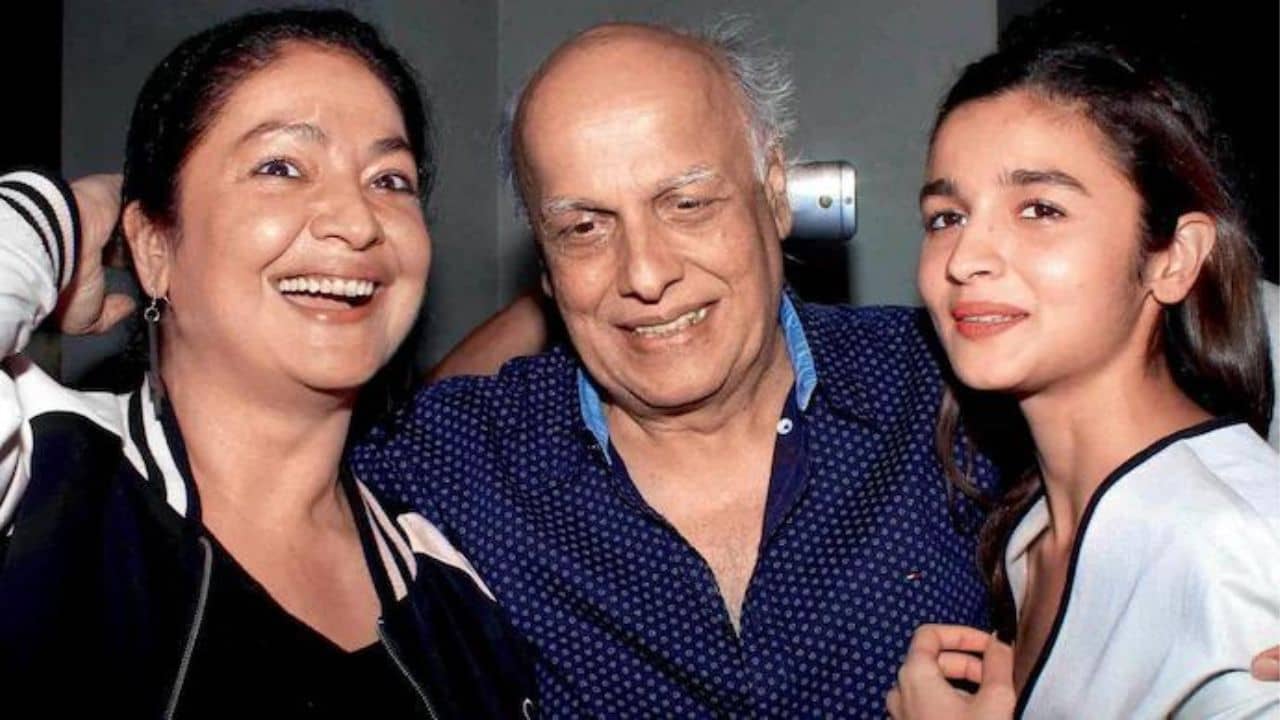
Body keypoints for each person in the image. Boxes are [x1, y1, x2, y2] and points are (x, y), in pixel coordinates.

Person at [351, 20, 999, 716]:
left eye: (687, 204)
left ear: (775, 194)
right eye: (583, 229)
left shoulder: (948, 395)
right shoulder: (460, 459)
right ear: (544, 263)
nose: (646, 273)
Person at [0, 9, 535, 717]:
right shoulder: (41, 473)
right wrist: (67, 212)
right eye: (280, 167)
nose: (357, 221)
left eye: (390, 180)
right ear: (155, 249)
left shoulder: (452, 589)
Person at [886, 36, 1278, 719]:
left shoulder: (1234, 549)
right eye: (946, 217)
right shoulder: (1032, 537)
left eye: (1040, 209)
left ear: (1173, 258)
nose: (965, 257)